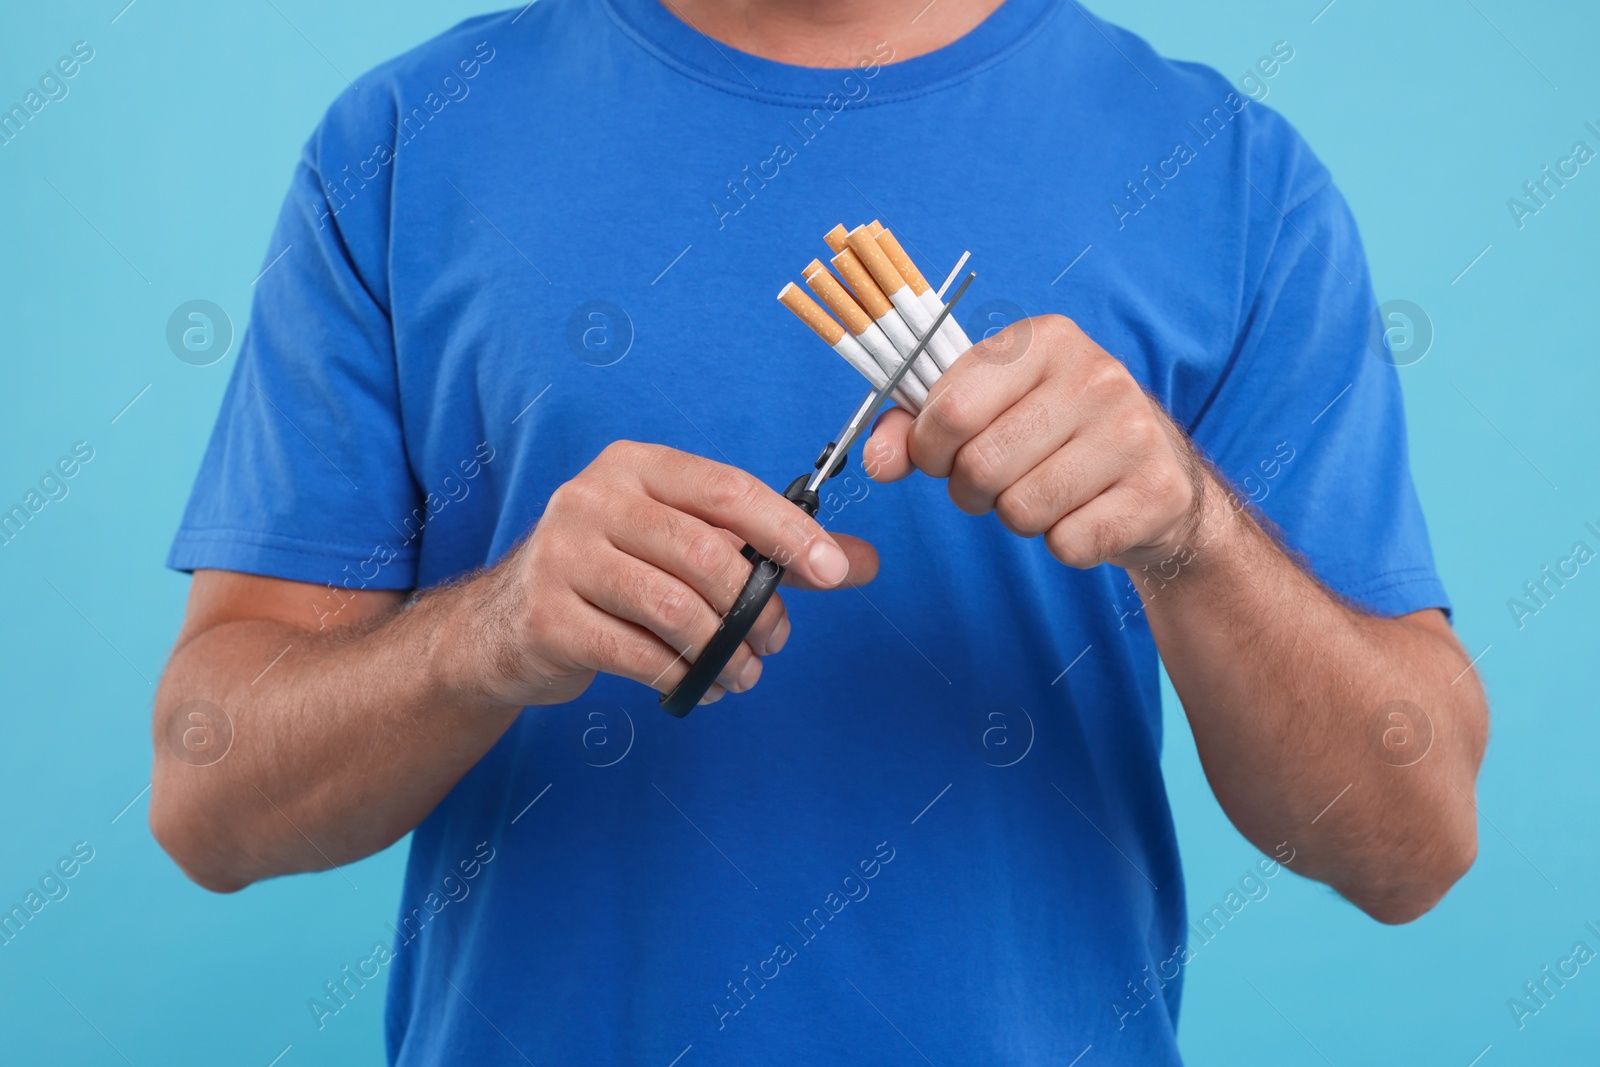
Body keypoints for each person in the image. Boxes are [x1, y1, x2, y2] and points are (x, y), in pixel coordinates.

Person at [151, 0, 1488, 1062]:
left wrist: (1193, 534)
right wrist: (491, 636)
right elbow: (210, 801)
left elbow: (1409, 842)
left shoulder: (1231, 178)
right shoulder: (404, 144)